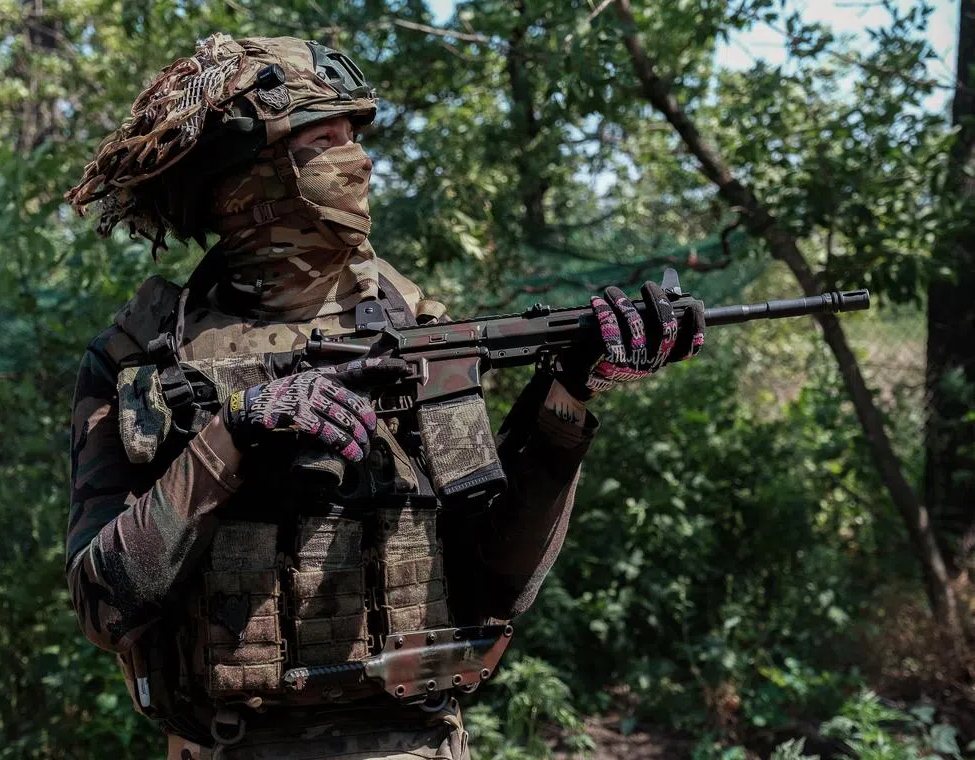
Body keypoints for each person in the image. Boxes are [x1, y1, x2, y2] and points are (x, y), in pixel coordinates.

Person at [63, 34, 704, 760]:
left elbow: (499, 583)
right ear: (249, 176)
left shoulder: (412, 335)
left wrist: (567, 399)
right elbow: (103, 602)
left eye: (356, 136)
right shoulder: (142, 360)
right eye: (325, 138)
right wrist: (236, 434)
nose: (360, 160)